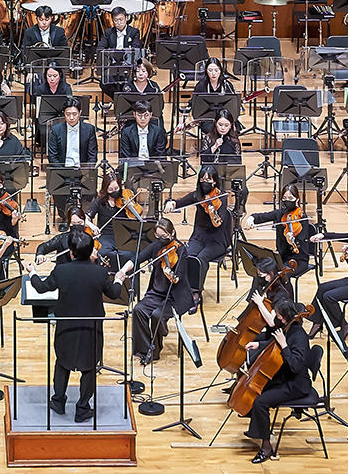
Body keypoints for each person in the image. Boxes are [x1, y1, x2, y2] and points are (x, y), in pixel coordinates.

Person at [27, 229, 126, 419]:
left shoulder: (61, 270)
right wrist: (119, 280)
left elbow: (41, 288)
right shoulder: (100, 271)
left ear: (71, 252)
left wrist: (33, 273)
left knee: (62, 362)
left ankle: (58, 401)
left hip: (66, 326)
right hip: (91, 328)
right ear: (91, 252)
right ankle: (82, 408)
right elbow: (113, 293)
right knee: (89, 367)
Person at [238, 281, 314, 464]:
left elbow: (295, 365)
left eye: (278, 315)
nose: (276, 317)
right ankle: (259, 426)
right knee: (257, 389)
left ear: (284, 318)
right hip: (285, 375)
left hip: (296, 384)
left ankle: (266, 448)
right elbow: (275, 346)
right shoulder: (289, 328)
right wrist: (259, 344)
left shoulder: (299, 337)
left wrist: (285, 345)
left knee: (261, 402)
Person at [119, 218, 195, 366]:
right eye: (158, 236)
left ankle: (154, 353)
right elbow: (138, 258)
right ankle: (143, 349)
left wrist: (171, 276)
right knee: (138, 310)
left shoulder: (180, 250)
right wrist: (122, 271)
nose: (161, 239)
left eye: (164, 236)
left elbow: (178, 277)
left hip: (174, 296)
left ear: (172, 233)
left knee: (156, 315)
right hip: (157, 293)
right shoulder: (156, 247)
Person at [249, 189, 318, 286]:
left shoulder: (302, 217)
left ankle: (285, 300)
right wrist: (252, 218)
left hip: (298, 260)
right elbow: (264, 216)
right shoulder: (280, 213)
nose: (287, 201)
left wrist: (292, 242)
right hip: (281, 258)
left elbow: (302, 244)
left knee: (281, 275)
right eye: (284, 198)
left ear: (297, 199)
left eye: (290, 198)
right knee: (261, 272)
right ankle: (255, 300)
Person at [171, 167, 233, 268]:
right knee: (185, 255)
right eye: (202, 180)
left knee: (201, 259)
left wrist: (212, 214)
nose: (205, 182)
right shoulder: (197, 196)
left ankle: (198, 284)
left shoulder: (222, 197)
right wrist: (172, 203)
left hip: (216, 241)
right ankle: (187, 284)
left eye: (208, 180)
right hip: (198, 238)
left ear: (214, 182)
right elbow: (180, 203)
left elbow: (217, 223)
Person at [47, 100, 98, 166]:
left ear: (80, 112)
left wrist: (86, 171)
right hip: (62, 170)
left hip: (82, 170)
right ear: (64, 113)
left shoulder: (89, 129)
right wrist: (61, 171)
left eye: (74, 114)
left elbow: (92, 156)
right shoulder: (56, 129)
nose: (71, 118)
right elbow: (52, 156)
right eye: (68, 114)